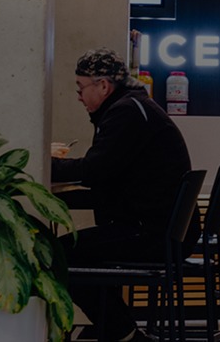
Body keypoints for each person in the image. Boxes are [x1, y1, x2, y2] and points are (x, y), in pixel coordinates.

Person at [52, 49, 193, 342]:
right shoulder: (133, 107)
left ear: (103, 86)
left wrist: (43, 163)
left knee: (57, 255)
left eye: (81, 88)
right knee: (75, 252)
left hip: (152, 233)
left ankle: (126, 335)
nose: (78, 96)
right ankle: (122, 333)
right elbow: (107, 182)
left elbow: (94, 170)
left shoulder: (126, 112)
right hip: (162, 229)